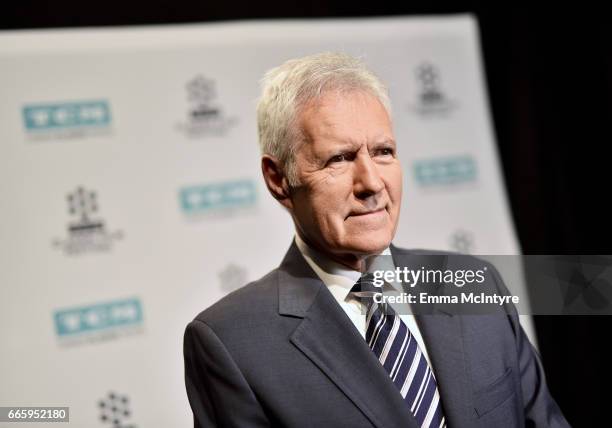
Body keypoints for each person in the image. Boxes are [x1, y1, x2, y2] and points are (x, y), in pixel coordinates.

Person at [183, 52, 569, 427]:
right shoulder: (231, 343)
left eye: (383, 152)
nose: (371, 183)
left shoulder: (474, 281)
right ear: (279, 179)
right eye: (339, 158)